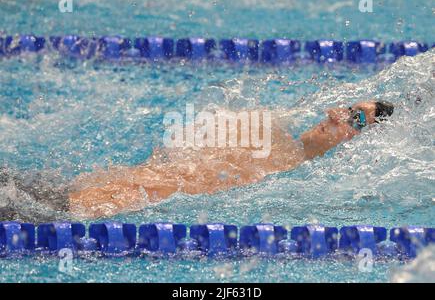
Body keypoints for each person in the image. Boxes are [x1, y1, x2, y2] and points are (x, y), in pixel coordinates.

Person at [68, 100, 394, 219]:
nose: (336, 114)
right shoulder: (277, 137)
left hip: (109, 202)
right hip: (101, 189)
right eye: (348, 108)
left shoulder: (296, 180)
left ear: (364, 146)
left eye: (355, 120)